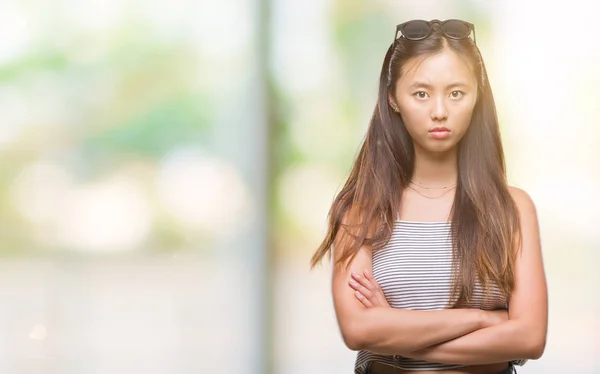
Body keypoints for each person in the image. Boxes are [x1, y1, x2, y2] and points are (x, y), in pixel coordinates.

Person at [309, 19, 548, 374]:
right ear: (393, 98)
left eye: (456, 93)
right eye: (421, 93)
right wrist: (484, 319)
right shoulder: (360, 210)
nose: (439, 110)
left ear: (477, 96)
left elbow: (529, 338)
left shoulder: (513, 209)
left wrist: (395, 328)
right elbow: (358, 330)